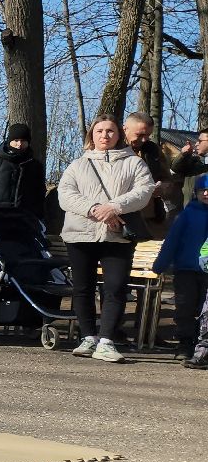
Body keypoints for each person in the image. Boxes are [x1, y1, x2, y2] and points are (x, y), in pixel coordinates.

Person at [57, 116, 156, 363]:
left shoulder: (134, 163)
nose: (105, 135)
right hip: (81, 233)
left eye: (110, 131)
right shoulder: (77, 165)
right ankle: (88, 336)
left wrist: (114, 207)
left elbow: (144, 192)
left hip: (117, 236)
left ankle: (107, 340)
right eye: (99, 131)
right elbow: (65, 195)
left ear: (119, 134)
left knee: (115, 287)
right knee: (82, 287)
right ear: (92, 135)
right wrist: (95, 209)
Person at [154, 172, 208, 359]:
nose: (207, 193)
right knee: (184, 307)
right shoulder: (187, 215)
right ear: (196, 192)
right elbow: (172, 241)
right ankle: (185, 343)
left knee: (205, 309)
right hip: (186, 268)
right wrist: (160, 265)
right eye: (203, 190)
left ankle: (202, 344)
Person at [0, 122, 45, 225]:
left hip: (25, 218)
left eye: (23, 141)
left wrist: (38, 215)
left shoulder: (36, 166)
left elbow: (40, 194)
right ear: (9, 141)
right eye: (16, 140)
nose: (19, 144)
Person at [123, 111, 176, 236]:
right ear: (124, 129)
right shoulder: (112, 150)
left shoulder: (153, 150)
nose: (144, 139)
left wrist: (163, 187)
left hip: (150, 218)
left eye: (148, 135)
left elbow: (167, 179)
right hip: (120, 217)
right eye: (139, 134)